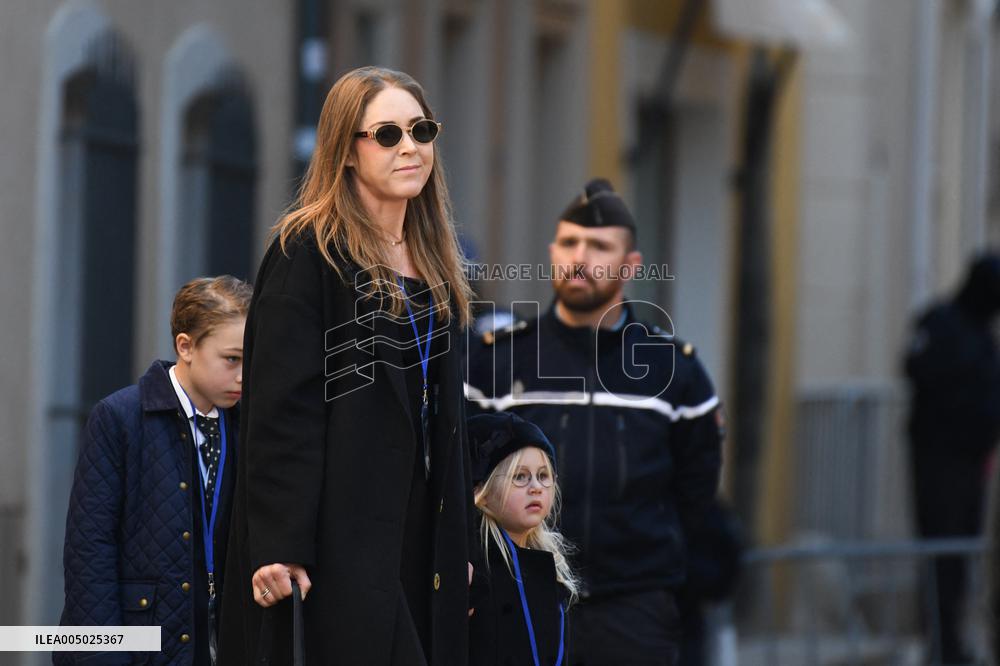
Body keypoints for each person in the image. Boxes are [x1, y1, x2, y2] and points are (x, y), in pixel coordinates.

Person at [218, 66, 476, 666]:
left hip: (419, 528)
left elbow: (448, 413)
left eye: (421, 129)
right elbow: (284, 409)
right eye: (386, 135)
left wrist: (456, 540)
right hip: (339, 532)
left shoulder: (435, 259)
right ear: (347, 153)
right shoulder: (306, 253)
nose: (410, 147)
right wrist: (280, 544)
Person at [465, 179, 723, 666]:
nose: (579, 257)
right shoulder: (494, 363)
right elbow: (461, 478)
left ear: (631, 266)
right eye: (569, 243)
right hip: (515, 597)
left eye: (599, 246)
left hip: (632, 608)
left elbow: (698, 494)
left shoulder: (673, 370)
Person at [58, 275, 252, 665]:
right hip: (146, 643)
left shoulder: (248, 423)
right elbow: (90, 552)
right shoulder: (119, 417)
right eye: (232, 359)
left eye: (252, 358)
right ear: (186, 346)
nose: (244, 375)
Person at [904, 251, 1000, 664]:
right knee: (942, 554)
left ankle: (951, 641)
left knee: (960, 556)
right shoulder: (942, 324)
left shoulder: (982, 336)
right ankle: (941, 642)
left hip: (970, 461)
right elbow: (917, 368)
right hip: (938, 459)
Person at [468, 412, 579, 666]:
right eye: (520, 477)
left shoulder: (554, 569)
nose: (536, 487)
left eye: (543, 475)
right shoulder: (472, 563)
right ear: (481, 492)